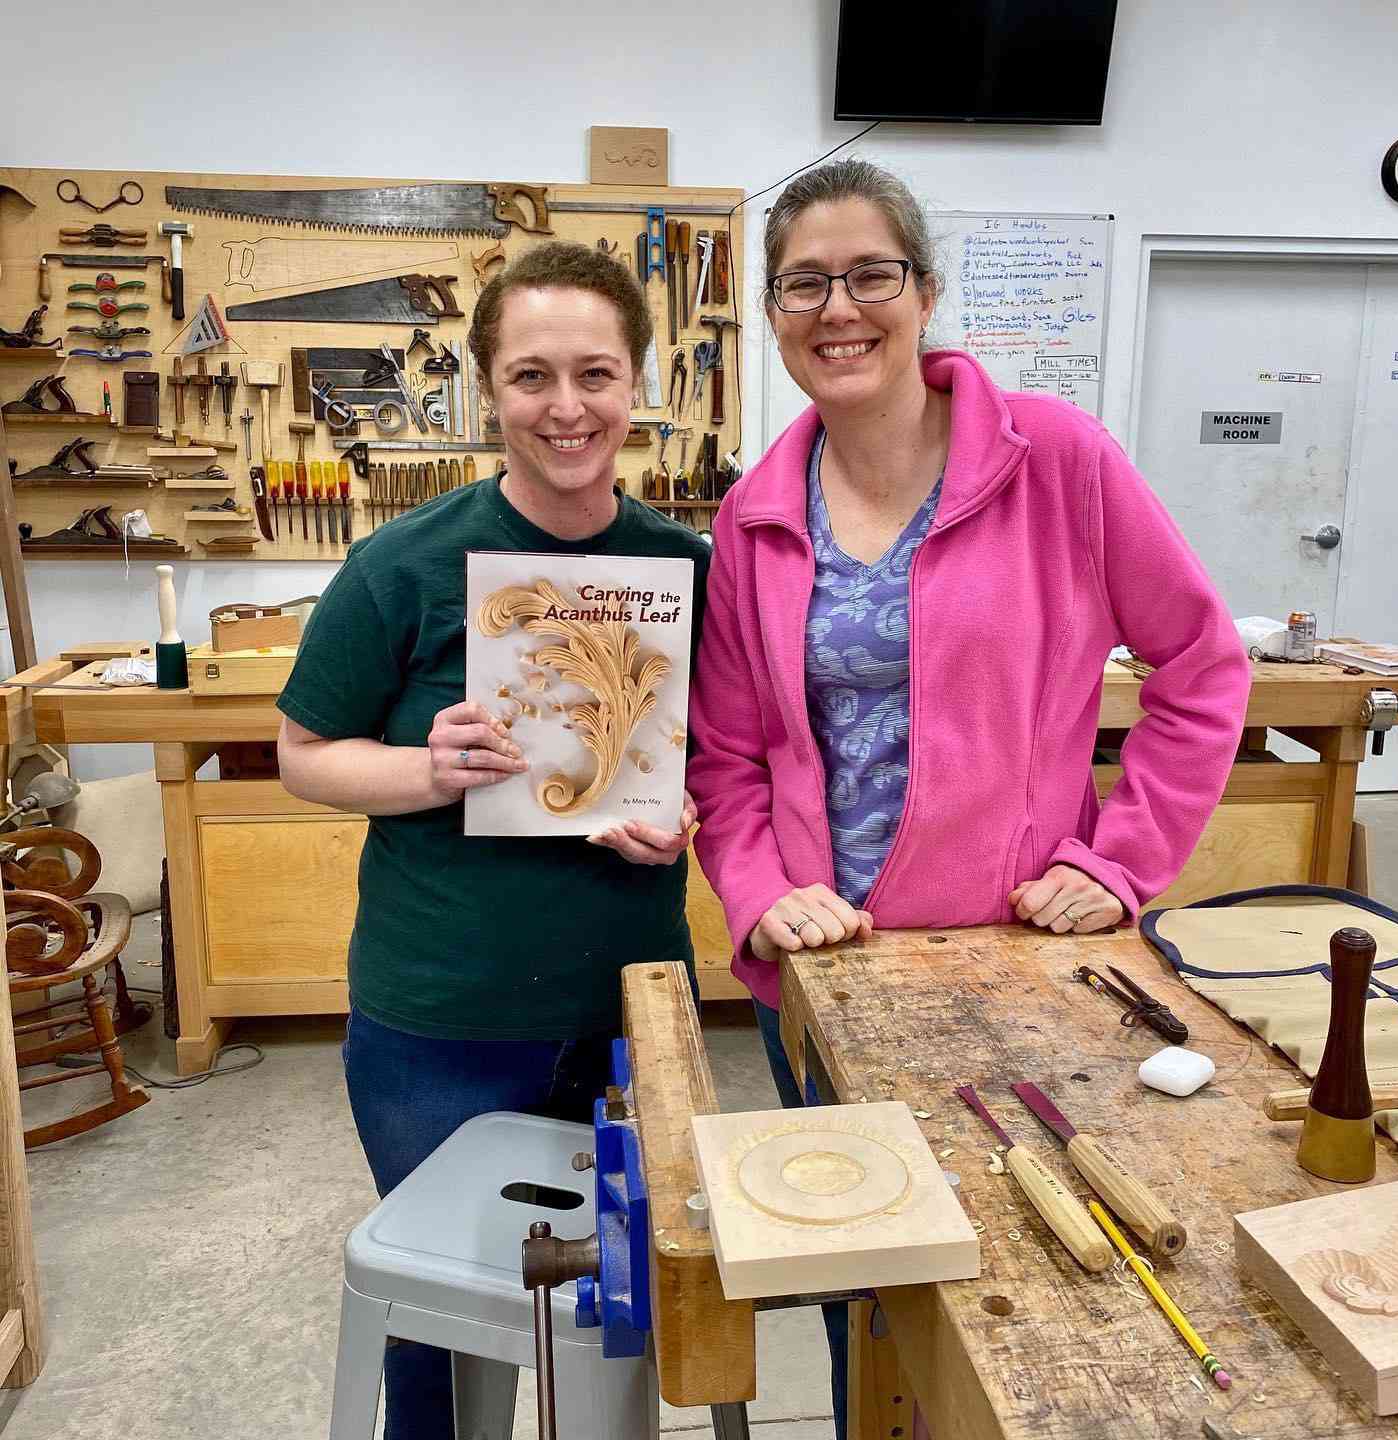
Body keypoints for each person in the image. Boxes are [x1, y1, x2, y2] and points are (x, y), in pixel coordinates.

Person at [687, 159, 1251, 1436]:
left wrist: (1118, 860)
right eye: (805, 284)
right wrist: (765, 893)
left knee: (1040, 1282)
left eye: (870, 274)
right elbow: (723, 754)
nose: (841, 308)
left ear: (925, 292)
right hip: (831, 972)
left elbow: (1204, 664)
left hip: (1015, 963)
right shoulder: (757, 514)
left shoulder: (1056, 458)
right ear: (773, 316)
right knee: (863, 1289)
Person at [276, 242, 710, 1440]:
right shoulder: (400, 567)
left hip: (631, 1008)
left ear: (640, 382)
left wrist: (686, 819)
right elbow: (304, 755)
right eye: (530, 376)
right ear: (485, 389)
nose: (565, 408)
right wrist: (428, 769)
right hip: (443, 1022)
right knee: (442, 1332)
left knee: (616, 1319)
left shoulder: (688, 568)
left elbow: (719, 760)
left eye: (594, 373)